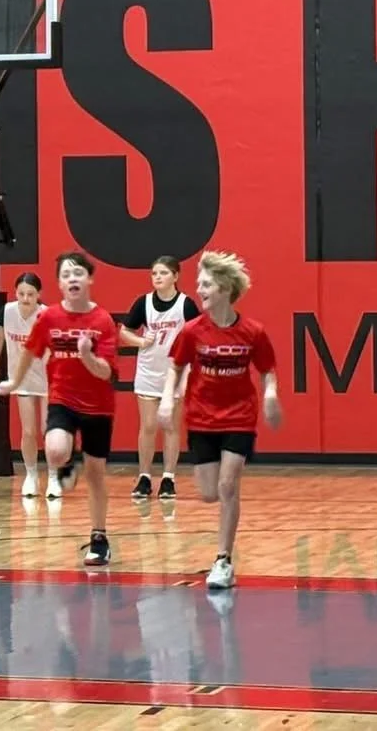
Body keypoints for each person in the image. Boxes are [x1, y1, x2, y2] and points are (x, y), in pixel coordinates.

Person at [162, 250, 281, 591]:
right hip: (201, 419)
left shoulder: (253, 332)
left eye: (206, 284)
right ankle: (223, 555)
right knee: (209, 493)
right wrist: (169, 399)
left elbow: (268, 370)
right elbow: (176, 367)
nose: (199, 290)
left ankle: (223, 560)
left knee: (229, 486)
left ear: (225, 289)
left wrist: (271, 394)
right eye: (199, 284)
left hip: (239, 418)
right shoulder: (191, 331)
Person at [0, 250, 120, 566]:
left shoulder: (102, 320)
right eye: (66, 274)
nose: (72, 278)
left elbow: (107, 371)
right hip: (63, 399)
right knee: (53, 450)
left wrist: (88, 357)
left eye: (78, 273)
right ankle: (65, 464)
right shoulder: (49, 317)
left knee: (96, 475)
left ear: (89, 279)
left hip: (98, 406)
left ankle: (99, 537)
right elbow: (29, 350)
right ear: (60, 284)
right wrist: (13, 381)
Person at [121, 256, 199, 502]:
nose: (157, 277)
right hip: (148, 372)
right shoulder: (143, 303)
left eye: (163, 273)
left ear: (175, 276)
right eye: (154, 273)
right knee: (148, 427)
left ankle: (168, 477)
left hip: (174, 373)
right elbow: (124, 331)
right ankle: (144, 477)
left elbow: (197, 339)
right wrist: (140, 341)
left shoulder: (186, 305)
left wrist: (188, 375)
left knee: (171, 427)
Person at [0, 272, 48, 497]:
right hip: (21, 378)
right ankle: (31, 475)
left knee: (48, 430)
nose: (25, 298)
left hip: (48, 377)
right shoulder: (8, 311)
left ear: (39, 295)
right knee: (29, 431)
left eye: (30, 294)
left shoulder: (46, 315)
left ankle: (55, 476)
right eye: (21, 293)